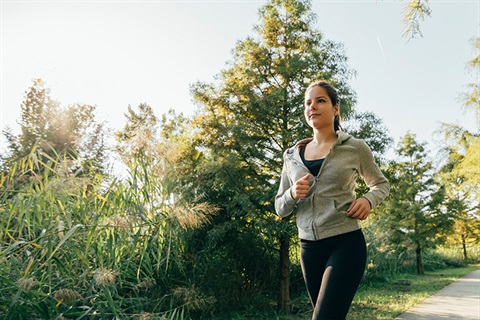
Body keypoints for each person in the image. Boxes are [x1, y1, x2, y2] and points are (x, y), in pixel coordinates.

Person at [274, 80, 390, 320]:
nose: (312, 106)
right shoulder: (291, 156)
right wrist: (292, 193)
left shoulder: (354, 147)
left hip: (345, 243)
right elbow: (280, 208)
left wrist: (368, 200)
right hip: (309, 249)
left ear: (336, 108)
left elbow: (381, 184)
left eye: (320, 101)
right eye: (308, 102)